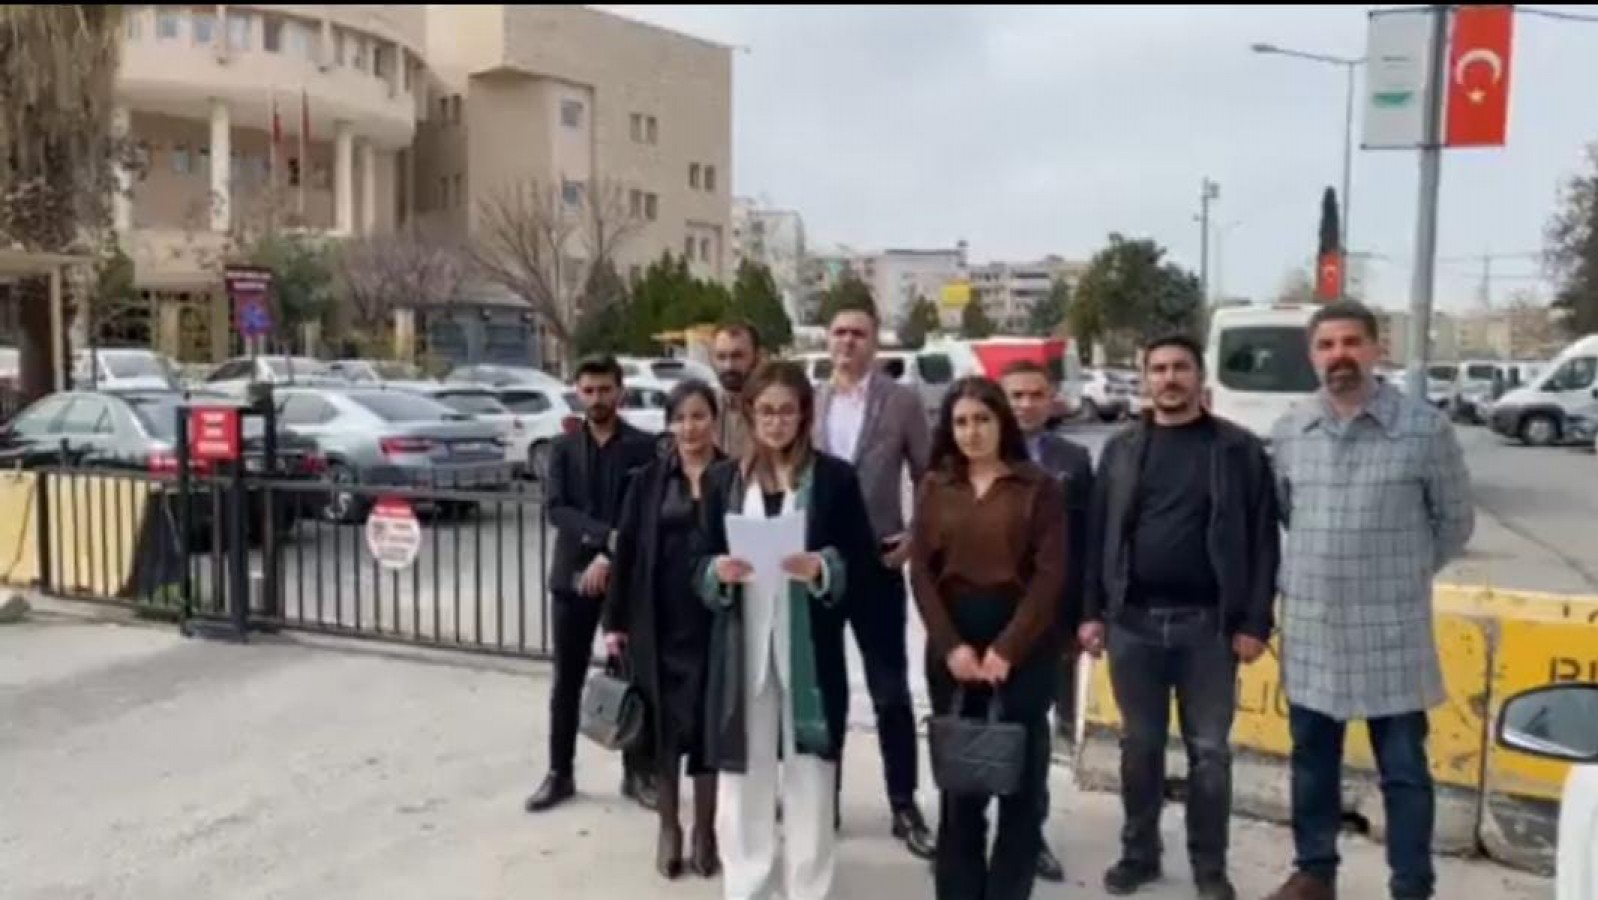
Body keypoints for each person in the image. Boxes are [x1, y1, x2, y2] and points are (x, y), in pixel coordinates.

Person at [1264, 302, 1474, 900]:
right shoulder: (1291, 430)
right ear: (1312, 356)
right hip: (1313, 628)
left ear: (1377, 349)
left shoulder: (1424, 429)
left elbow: (1454, 522)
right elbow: (1286, 512)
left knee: (1403, 770)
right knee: (1312, 762)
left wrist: (1399, 574)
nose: (1340, 356)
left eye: (1352, 342)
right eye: (1326, 345)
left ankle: (1411, 884)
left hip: (1392, 630)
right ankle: (1315, 873)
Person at [1077, 334, 1280, 900]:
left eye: (1180, 368)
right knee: (1139, 748)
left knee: (1209, 754)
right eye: (1159, 369)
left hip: (1209, 629)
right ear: (1146, 378)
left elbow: (1264, 541)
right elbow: (1098, 535)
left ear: (1199, 375)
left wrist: (1255, 622)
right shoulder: (1121, 450)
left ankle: (1210, 867)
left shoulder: (1238, 450)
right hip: (1133, 624)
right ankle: (1139, 854)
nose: (1169, 378)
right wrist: (1091, 613)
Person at [694, 360, 879, 900]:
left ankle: (807, 887)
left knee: (811, 775)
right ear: (750, 414)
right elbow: (697, 559)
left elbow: (862, 561)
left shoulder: (835, 479)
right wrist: (717, 572)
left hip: (808, 650)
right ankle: (747, 883)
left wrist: (822, 567)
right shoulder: (723, 481)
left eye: (787, 411)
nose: (776, 422)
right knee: (742, 775)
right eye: (766, 411)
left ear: (804, 415)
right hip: (743, 646)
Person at [910, 376, 1066, 900]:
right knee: (961, 784)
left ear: (1001, 423)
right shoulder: (935, 487)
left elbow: (1050, 576)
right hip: (954, 641)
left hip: (1023, 642)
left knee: (1020, 784)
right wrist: (951, 645)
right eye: (961, 422)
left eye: (982, 420)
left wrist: (1007, 649)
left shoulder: (1038, 487)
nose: (971, 432)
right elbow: (921, 573)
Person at [812, 303, 935, 858]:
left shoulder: (901, 401)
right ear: (827, 339)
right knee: (826, 691)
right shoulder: (811, 400)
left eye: (858, 333)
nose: (847, 342)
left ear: (875, 341)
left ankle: (903, 803)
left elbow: (929, 474)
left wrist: (915, 537)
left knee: (890, 693)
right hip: (819, 566)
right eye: (839, 332)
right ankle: (824, 800)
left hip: (879, 563)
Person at [525, 355, 661, 814]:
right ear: (577, 393)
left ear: (620, 391)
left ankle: (637, 773)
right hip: (572, 579)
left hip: (627, 579)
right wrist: (606, 537)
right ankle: (559, 773)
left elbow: (645, 513)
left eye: (605, 390)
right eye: (589, 391)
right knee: (567, 679)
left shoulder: (644, 448)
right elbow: (557, 510)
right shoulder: (561, 449)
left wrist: (614, 554)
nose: (598, 399)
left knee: (635, 677)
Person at [602, 380, 726, 879]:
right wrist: (614, 622)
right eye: (680, 418)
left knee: (709, 727)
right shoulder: (648, 481)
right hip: (659, 622)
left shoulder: (735, 476)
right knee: (665, 732)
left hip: (717, 623)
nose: (690, 428)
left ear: (714, 419)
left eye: (699, 416)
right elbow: (626, 553)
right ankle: (669, 827)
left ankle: (706, 831)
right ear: (669, 424)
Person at [999, 360, 1095, 884]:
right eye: (1015, 395)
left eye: (1035, 394)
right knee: (982, 730)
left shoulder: (1073, 461)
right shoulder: (977, 454)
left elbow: (1089, 542)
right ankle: (969, 831)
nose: (1025, 405)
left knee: (1035, 734)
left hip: (1051, 622)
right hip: (988, 619)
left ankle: (1028, 836)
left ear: (1052, 399)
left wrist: (1086, 614)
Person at [712, 320, 761, 459]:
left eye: (737, 356)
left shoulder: (773, 410)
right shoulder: (706, 408)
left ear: (757, 357)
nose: (728, 366)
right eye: (721, 357)